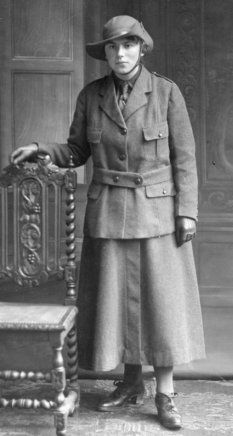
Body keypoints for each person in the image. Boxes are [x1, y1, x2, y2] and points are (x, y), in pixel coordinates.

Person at [10, 15, 205, 430]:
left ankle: (166, 393)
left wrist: (187, 211)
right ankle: (131, 383)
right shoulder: (92, 95)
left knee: (161, 305)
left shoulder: (167, 93)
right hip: (109, 212)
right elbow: (77, 150)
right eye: (113, 48)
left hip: (157, 215)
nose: (121, 54)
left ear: (142, 49)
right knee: (117, 302)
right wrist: (41, 148)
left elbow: (185, 159)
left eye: (129, 46)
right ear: (106, 54)